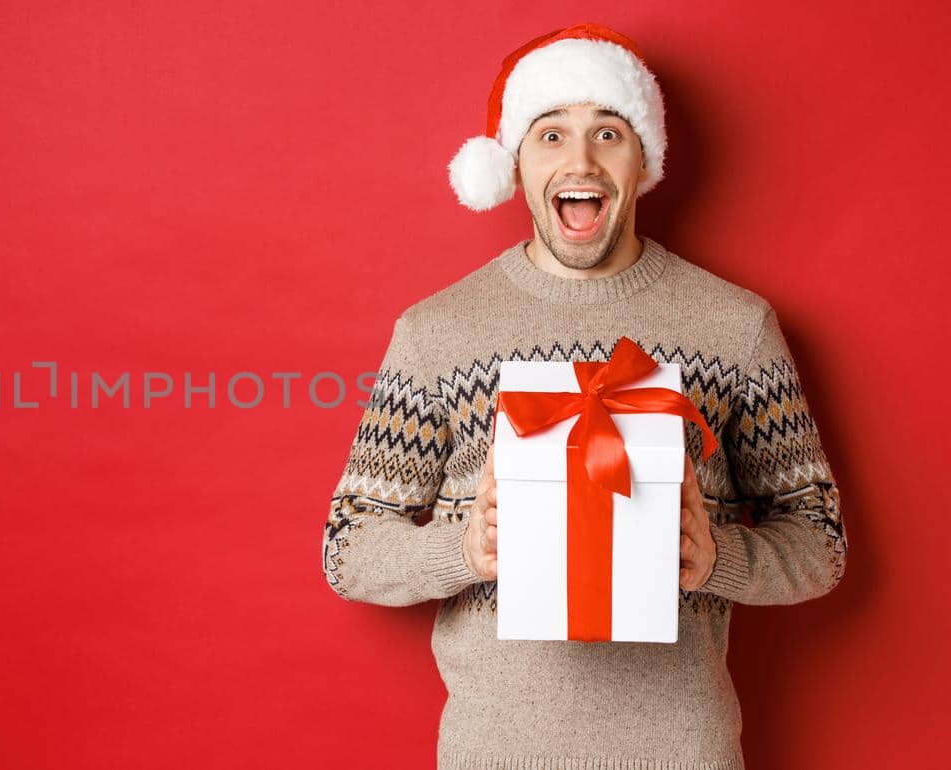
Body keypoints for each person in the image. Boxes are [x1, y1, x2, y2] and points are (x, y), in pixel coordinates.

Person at [320, 22, 848, 769]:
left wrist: (717, 558)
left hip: (681, 751)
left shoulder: (736, 327)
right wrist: (464, 548)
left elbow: (820, 541)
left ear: (643, 162)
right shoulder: (437, 332)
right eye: (550, 135)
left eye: (608, 132)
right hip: (494, 752)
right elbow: (348, 549)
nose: (580, 159)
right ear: (514, 164)